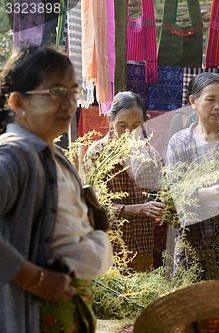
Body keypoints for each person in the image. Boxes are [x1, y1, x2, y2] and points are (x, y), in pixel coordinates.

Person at [0, 46, 113, 332]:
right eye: (56, 93)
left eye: (72, 92)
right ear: (17, 103)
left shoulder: (54, 155)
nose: (69, 104)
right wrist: (34, 278)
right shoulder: (14, 156)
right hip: (30, 316)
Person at [165, 72, 219, 281]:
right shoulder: (179, 142)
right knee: (192, 306)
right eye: (210, 99)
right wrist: (205, 193)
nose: (217, 106)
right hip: (193, 237)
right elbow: (172, 195)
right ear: (193, 102)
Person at [84, 91, 166, 272]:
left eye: (136, 126)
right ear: (109, 121)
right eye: (122, 125)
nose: (129, 133)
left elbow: (162, 194)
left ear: (146, 121)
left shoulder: (151, 155)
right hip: (109, 251)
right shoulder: (97, 154)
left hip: (143, 249)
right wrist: (138, 209)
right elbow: (92, 207)